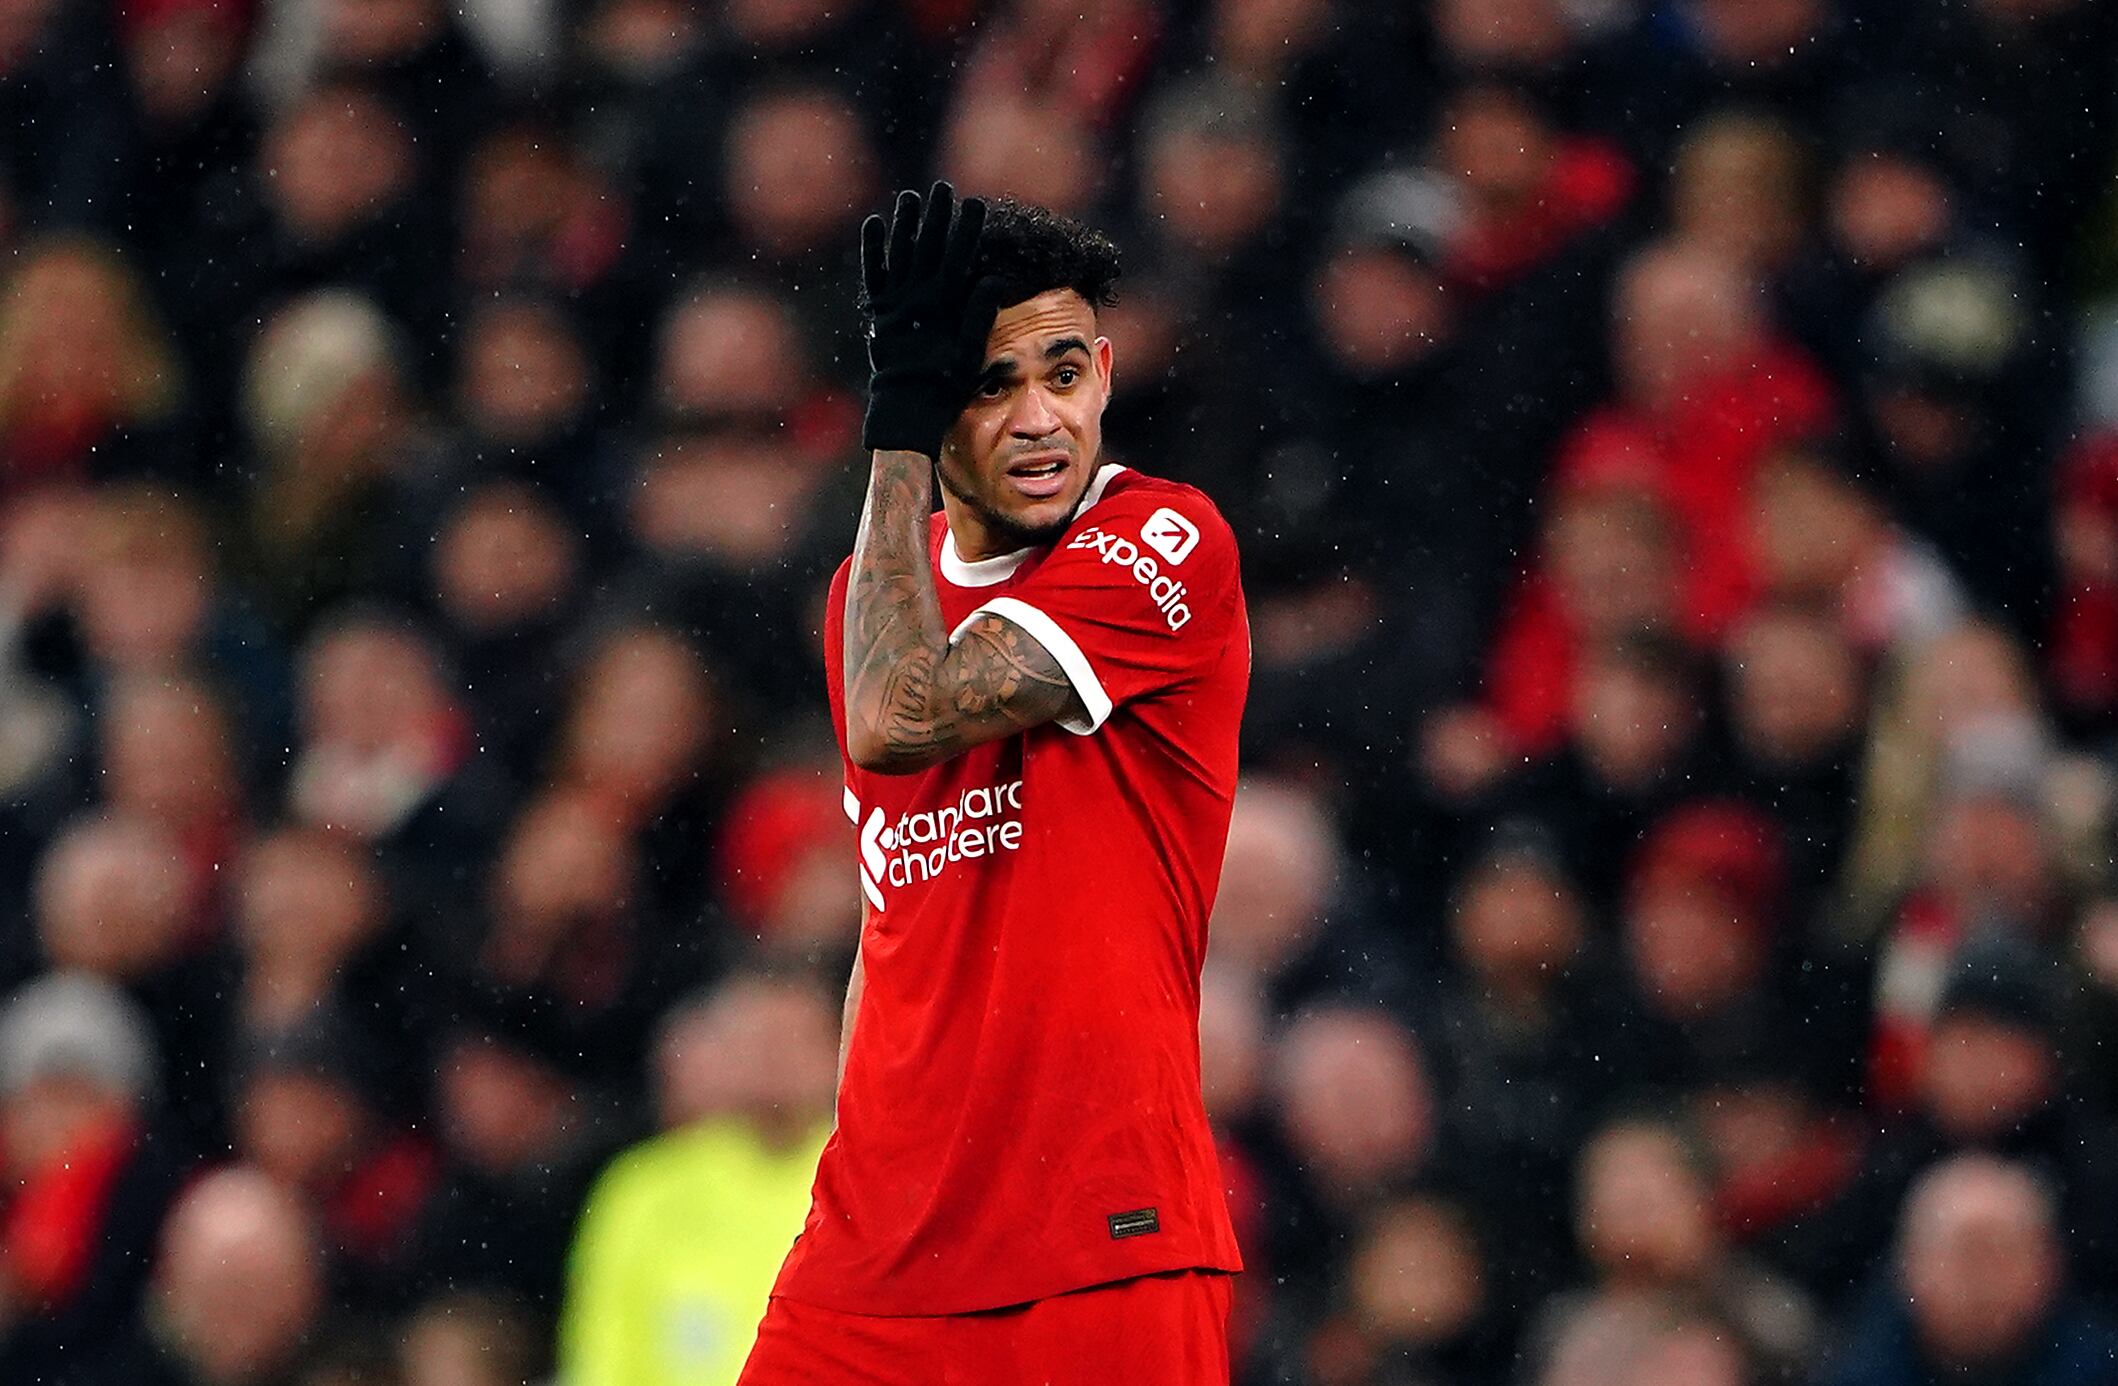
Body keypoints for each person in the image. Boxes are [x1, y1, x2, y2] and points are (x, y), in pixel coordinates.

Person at [739, 184, 1248, 1382]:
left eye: (1063, 375)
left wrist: (897, 442)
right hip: (875, 1251)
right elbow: (892, 912)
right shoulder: (869, 597)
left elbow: (899, 720)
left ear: (1105, 376)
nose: (1039, 419)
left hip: (1097, 1237)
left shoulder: (1163, 541)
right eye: (989, 385)